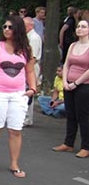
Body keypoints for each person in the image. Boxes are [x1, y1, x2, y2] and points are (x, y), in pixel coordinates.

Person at [0, 16, 37, 178]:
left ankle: (14, 163)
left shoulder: (26, 50)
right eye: (4, 26)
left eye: (10, 27)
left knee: (16, 130)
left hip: (18, 94)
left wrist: (32, 88)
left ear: (18, 29)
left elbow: (30, 71)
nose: (6, 29)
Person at [52, 18, 89, 158]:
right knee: (71, 114)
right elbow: (67, 63)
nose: (80, 28)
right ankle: (68, 143)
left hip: (84, 86)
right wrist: (66, 81)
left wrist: (76, 83)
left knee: (83, 116)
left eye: (84, 26)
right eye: (78, 26)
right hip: (69, 84)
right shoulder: (73, 45)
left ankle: (86, 146)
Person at [23, 17, 43, 126]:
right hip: (27, 66)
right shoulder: (27, 36)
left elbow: (33, 57)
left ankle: (28, 118)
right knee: (25, 91)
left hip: (31, 67)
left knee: (29, 91)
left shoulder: (34, 37)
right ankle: (24, 116)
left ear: (30, 25)